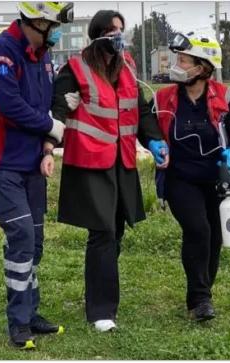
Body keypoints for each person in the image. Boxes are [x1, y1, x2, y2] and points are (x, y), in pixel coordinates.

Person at [50, 9, 169, 332]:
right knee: (102, 232)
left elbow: (140, 109)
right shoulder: (75, 69)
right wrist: (49, 142)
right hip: (90, 162)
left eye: (122, 30)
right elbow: (58, 108)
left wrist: (155, 140)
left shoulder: (127, 67)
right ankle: (101, 311)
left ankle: (96, 292)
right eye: (114, 31)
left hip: (122, 162)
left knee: (115, 232)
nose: (120, 36)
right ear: (100, 33)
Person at [0, 1, 73, 349]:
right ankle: (18, 323)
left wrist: (46, 148)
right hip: (0, 163)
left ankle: (31, 312)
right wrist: (52, 126)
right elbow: (9, 106)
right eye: (53, 24)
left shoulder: (40, 54)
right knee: (22, 236)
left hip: (31, 163)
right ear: (36, 21)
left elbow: (41, 105)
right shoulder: (1, 52)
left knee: (34, 243)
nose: (56, 31)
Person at [153, 32, 230, 322]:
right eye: (178, 60)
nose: (177, 65)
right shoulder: (163, 98)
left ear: (202, 67)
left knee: (214, 237)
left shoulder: (225, 97)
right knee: (198, 230)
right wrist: (153, 144)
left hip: (217, 179)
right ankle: (199, 299)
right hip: (180, 179)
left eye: (183, 61)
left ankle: (203, 291)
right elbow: (146, 127)